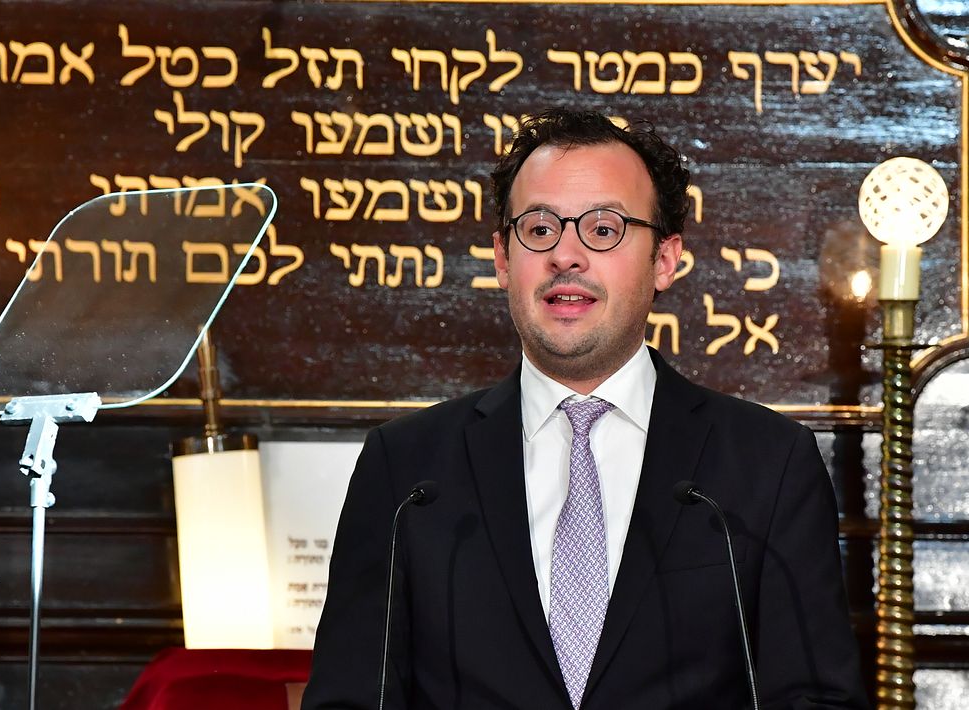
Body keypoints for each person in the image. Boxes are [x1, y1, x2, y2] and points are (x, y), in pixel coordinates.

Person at [303, 108, 868, 709]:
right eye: (539, 228)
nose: (565, 256)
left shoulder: (768, 465)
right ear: (502, 259)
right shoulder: (407, 471)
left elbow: (818, 700)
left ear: (665, 259)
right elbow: (348, 699)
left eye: (603, 229)